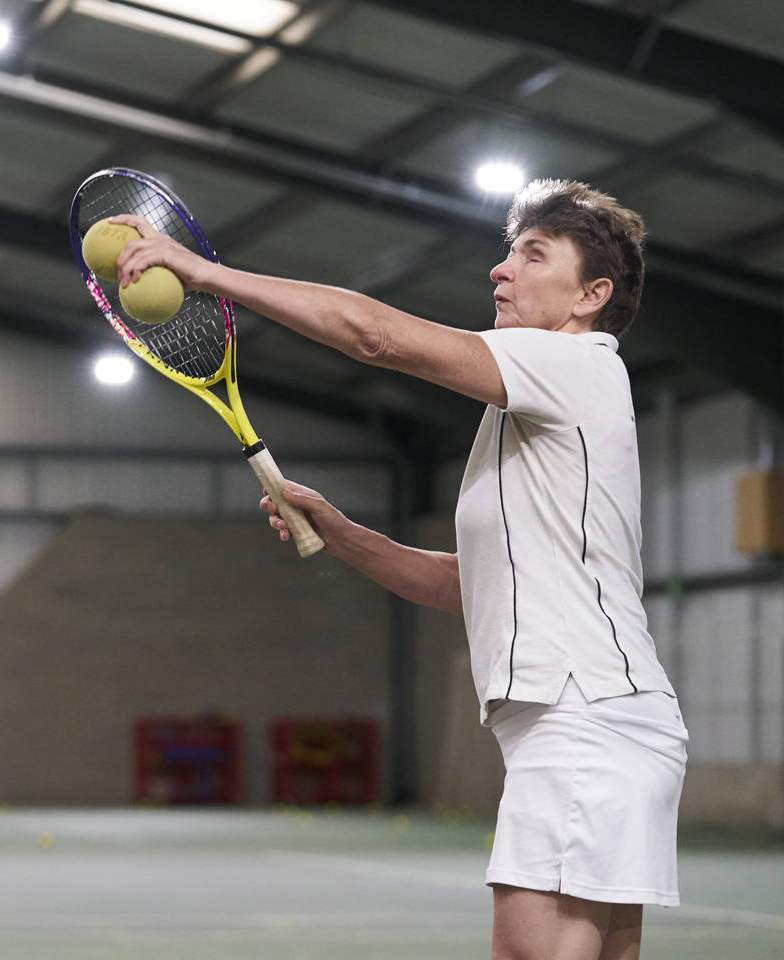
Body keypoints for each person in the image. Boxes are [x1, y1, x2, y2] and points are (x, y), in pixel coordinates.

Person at [112, 178, 686, 960]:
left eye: (532, 254)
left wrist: (204, 273)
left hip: (581, 715)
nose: (501, 270)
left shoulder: (571, 365)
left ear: (593, 294)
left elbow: (373, 336)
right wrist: (346, 536)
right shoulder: (533, 410)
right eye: (508, 252)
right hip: (608, 718)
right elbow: (468, 584)